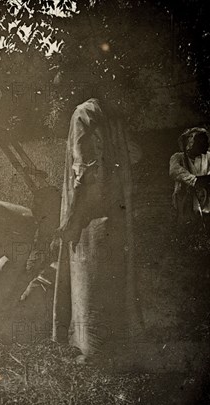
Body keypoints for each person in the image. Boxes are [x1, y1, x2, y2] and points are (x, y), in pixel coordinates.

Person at [53, 98, 142, 364]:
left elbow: (83, 172)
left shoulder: (82, 114)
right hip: (113, 212)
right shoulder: (111, 115)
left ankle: (92, 352)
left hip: (88, 215)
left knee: (87, 282)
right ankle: (114, 347)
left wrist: (71, 218)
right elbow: (135, 155)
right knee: (110, 278)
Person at [169, 127, 210, 227]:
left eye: (206, 141)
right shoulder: (178, 157)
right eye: (202, 141)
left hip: (206, 201)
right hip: (184, 201)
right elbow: (174, 171)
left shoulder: (208, 157)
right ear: (191, 143)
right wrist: (195, 180)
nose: (207, 144)